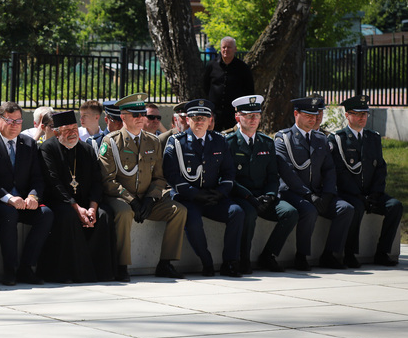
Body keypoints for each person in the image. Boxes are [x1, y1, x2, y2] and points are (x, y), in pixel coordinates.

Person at [99, 94, 187, 280]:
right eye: (135, 115)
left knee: (178, 210)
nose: (141, 118)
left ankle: (166, 263)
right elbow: (107, 180)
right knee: (123, 213)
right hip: (120, 198)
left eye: (142, 114)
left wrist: (150, 198)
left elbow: (159, 177)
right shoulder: (111, 142)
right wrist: (131, 201)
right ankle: (121, 265)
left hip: (146, 199)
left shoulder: (152, 141)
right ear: (123, 117)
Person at [163, 99, 244, 278]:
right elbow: (172, 175)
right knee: (192, 221)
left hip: (213, 196)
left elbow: (229, 172)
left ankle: (230, 263)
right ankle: (206, 262)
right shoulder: (176, 142)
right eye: (195, 117)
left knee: (236, 212)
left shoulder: (220, 141)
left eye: (203, 118)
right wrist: (194, 194)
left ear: (210, 120)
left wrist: (221, 192)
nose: (199, 121)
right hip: (188, 197)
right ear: (188, 120)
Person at [0, 102, 54, 285]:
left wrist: (33, 196)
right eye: (10, 121)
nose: (15, 125)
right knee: (9, 213)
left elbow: (37, 177)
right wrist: (9, 198)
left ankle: (26, 268)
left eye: (18, 121)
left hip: (23, 201)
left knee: (46, 214)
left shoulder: (28, 143)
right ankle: (10, 270)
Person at [275, 96, 353, 270]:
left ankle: (329, 255)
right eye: (307, 115)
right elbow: (287, 172)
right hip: (293, 193)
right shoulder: (284, 138)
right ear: (296, 114)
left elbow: (329, 169)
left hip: (318, 193)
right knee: (309, 211)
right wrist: (309, 195)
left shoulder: (321, 139)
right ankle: (301, 256)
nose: (313, 118)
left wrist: (327, 194)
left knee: (345, 209)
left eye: (315, 114)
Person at [38, 110, 116, 283]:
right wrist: (76, 207)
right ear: (57, 132)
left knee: (105, 215)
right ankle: (70, 273)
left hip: (85, 203)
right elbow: (54, 183)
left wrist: (92, 208)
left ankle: (100, 272)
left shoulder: (86, 149)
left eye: (74, 128)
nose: (72, 133)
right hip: (60, 202)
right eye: (67, 130)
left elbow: (97, 181)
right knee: (69, 216)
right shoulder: (47, 148)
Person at [226, 95, 298, 274]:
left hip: (264, 196)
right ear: (238, 117)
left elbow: (273, 175)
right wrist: (249, 197)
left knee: (290, 212)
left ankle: (268, 255)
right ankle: (243, 259)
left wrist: (270, 195)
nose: (253, 119)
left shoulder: (266, 142)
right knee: (248, 214)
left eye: (256, 115)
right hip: (242, 196)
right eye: (248, 115)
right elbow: (228, 178)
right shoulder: (228, 143)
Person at [328, 95, 401, 267]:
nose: (362, 117)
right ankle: (349, 253)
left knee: (395, 206)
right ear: (347, 116)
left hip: (372, 193)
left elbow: (380, 168)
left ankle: (382, 252)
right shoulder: (338, 139)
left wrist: (376, 193)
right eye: (357, 114)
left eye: (365, 114)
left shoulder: (373, 137)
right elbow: (340, 172)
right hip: (350, 193)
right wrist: (358, 195)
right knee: (357, 207)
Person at [202, 36, 254, 131]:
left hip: (234, 114)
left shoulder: (243, 68)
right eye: (224, 47)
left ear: (235, 49)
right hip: (214, 113)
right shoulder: (211, 66)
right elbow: (205, 86)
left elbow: (249, 90)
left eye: (229, 47)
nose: (226, 50)